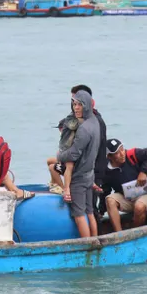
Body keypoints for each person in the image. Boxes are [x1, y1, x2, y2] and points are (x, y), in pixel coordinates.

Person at [56, 89, 101, 238]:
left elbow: (74, 153)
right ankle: (95, 241)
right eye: (74, 104)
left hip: (80, 177)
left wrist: (60, 156)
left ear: (86, 106)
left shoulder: (84, 130)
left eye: (79, 105)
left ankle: (88, 244)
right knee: (90, 212)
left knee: (79, 215)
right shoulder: (94, 121)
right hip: (89, 175)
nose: (76, 108)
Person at [102, 139, 147, 231]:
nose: (122, 154)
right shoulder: (106, 170)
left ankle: (134, 231)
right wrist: (101, 210)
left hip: (145, 194)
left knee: (139, 207)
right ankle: (119, 234)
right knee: (109, 200)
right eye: (117, 153)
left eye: (122, 149)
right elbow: (105, 190)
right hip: (126, 198)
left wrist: (143, 172)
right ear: (109, 156)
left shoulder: (133, 154)